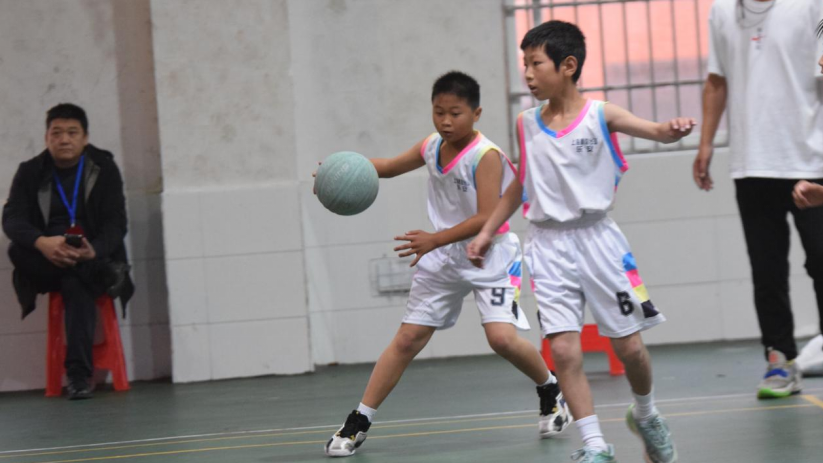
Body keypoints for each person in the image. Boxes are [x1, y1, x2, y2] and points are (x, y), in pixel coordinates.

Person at [468, 21, 695, 463]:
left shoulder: (600, 115)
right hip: (547, 245)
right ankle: (594, 445)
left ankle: (646, 414)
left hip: (599, 242)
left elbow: (653, 129)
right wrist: (487, 230)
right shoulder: (525, 123)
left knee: (630, 347)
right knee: (563, 348)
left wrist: (671, 129)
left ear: (568, 65)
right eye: (525, 64)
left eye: (536, 64)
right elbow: (521, 184)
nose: (527, 74)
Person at [322, 71, 571, 457]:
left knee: (501, 339)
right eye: (439, 112)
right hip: (444, 256)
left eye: (455, 113)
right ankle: (360, 419)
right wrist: (336, 172)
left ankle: (550, 388)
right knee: (407, 339)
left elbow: (487, 216)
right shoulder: (431, 146)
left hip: (491, 252)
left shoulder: (485, 156)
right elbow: (386, 166)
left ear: (476, 113)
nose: (446, 121)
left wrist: (434, 239)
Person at [693, 0, 823, 399]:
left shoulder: (811, 4)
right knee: (767, 271)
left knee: (821, 260)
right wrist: (705, 144)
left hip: (812, 159)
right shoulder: (722, 11)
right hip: (752, 163)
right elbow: (716, 80)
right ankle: (779, 359)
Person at [2, 103, 134, 400]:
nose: (64, 139)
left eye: (72, 133)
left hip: (92, 256)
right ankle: (78, 377)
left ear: (85, 138)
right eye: (57, 133)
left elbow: (116, 223)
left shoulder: (104, 169)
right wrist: (43, 243)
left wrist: (93, 251)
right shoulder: (30, 171)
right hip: (48, 260)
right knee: (17, 250)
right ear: (46, 137)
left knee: (75, 279)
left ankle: (77, 376)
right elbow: (12, 219)